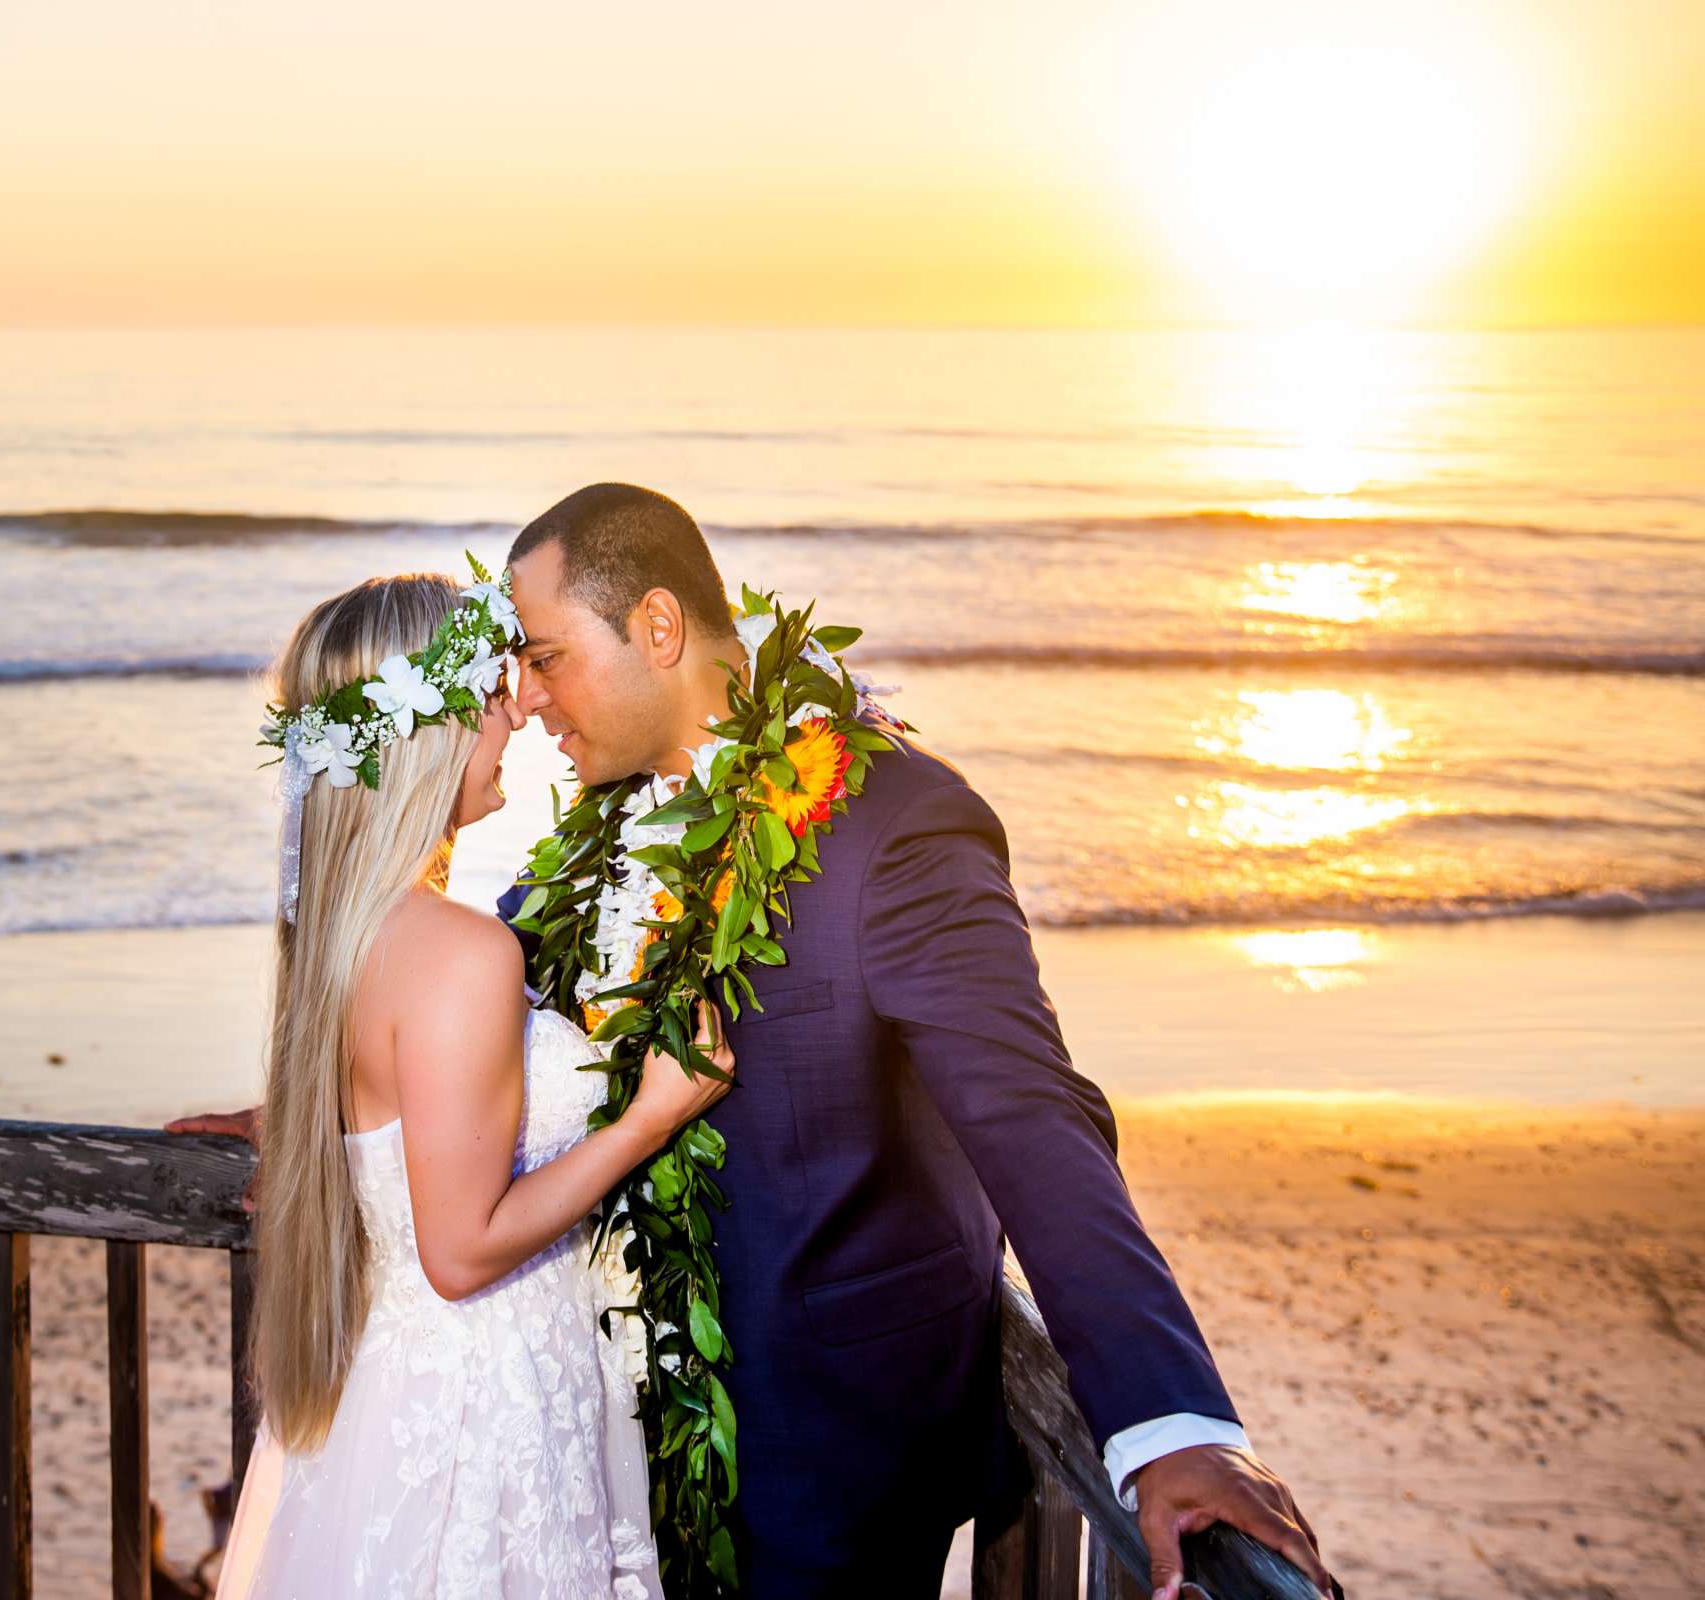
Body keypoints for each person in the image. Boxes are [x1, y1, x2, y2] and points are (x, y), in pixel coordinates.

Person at [493, 483, 1337, 1600]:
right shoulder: (609, 824)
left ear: (656, 627)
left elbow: (1030, 1112)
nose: (531, 695)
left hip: (825, 1455)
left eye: (548, 656)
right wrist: (349, 1104)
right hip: (622, 1435)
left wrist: (1170, 1418)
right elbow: (497, 1000)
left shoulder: (896, 825)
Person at [198, 570, 733, 1600]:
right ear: (424, 731)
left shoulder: (339, 932)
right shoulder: (460, 953)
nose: (521, 708)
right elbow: (459, 1249)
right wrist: (655, 1115)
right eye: (493, 691)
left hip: (385, 1388)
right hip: (483, 1399)